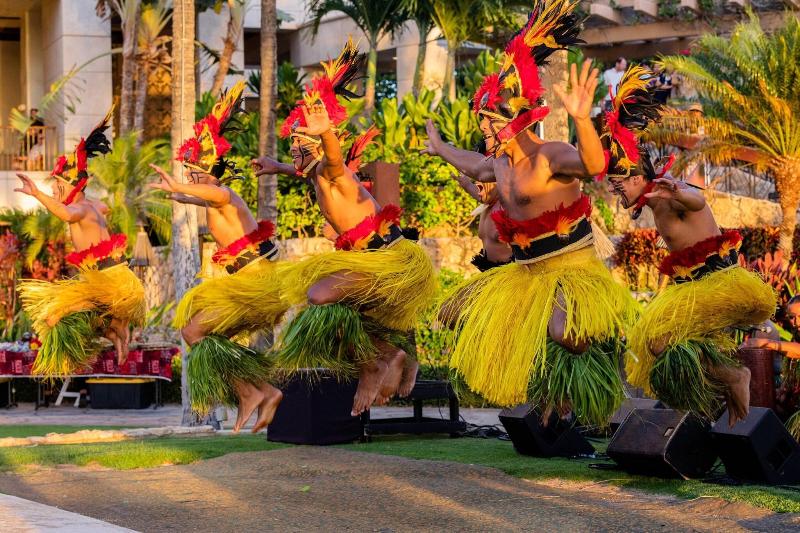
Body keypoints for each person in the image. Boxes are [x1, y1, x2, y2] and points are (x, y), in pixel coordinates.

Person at [423, 0, 637, 427]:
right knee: (452, 314)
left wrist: (581, 118)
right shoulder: (499, 164)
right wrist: (441, 149)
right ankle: (551, 389)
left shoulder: (549, 157)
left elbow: (595, 166)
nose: (482, 133)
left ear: (509, 120)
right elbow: (472, 164)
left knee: (562, 333)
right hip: (527, 270)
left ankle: (603, 335)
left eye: (486, 124)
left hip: (569, 266)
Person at [258, 38, 436, 416]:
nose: (296, 154)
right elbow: (309, 167)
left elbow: (333, 160)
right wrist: (279, 166)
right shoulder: (314, 173)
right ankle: (401, 351)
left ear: (318, 147)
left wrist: (325, 133)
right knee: (356, 314)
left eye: (301, 147)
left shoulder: (331, 171)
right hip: (375, 257)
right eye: (292, 147)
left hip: (387, 257)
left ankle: (375, 364)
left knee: (321, 296)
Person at [601, 65, 776, 426]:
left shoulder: (667, 192)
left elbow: (699, 203)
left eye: (619, 183)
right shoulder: (651, 199)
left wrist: (684, 191)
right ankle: (718, 394)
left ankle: (733, 377)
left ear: (637, 178)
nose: (615, 190)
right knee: (661, 344)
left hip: (717, 283)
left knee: (661, 339)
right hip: (693, 286)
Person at [150, 81, 284, 432]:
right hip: (243, 280)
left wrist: (179, 187)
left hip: (255, 281)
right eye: (189, 169)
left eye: (198, 169)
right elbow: (200, 196)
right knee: (203, 336)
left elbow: (212, 192)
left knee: (193, 331)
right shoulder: (211, 198)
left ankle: (254, 392)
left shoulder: (225, 194)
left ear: (215, 168)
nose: (192, 174)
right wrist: (181, 196)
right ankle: (259, 392)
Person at [16, 110, 146, 375]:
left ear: (71, 186)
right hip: (111, 275)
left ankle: (119, 330)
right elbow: (106, 208)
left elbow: (65, 213)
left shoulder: (80, 210)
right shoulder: (94, 206)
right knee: (89, 318)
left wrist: (37, 193)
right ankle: (117, 334)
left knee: (55, 315)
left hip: (108, 280)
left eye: (57, 185)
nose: (54, 190)